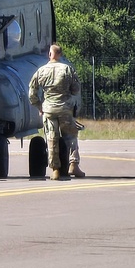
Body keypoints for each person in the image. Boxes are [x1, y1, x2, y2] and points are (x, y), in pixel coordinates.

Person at [28, 44, 84, 180]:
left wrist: (39, 106)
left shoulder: (41, 71)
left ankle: (55, 170)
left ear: (50, 54)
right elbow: (76, 89)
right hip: (65, 108)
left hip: (48, 109)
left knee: (51, 138)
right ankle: (73, 165)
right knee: (71, 136)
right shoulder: (67, 69)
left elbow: (32, 93)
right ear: (60, 54)